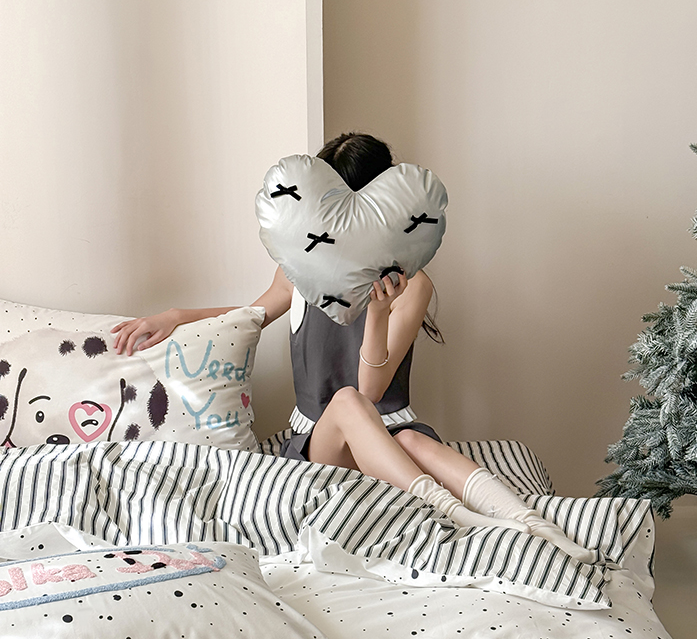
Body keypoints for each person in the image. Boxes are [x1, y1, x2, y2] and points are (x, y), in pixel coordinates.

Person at [112, 133, 597, 560]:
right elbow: (251, 317)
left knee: (410, 440)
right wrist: (176, 316)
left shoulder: (414, 286)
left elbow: (373, 390)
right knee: (346, 403)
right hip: (323, 447)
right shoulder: (298, 270)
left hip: (391, 434)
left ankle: (534, 526)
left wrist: (379, 310)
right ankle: (456, 514)